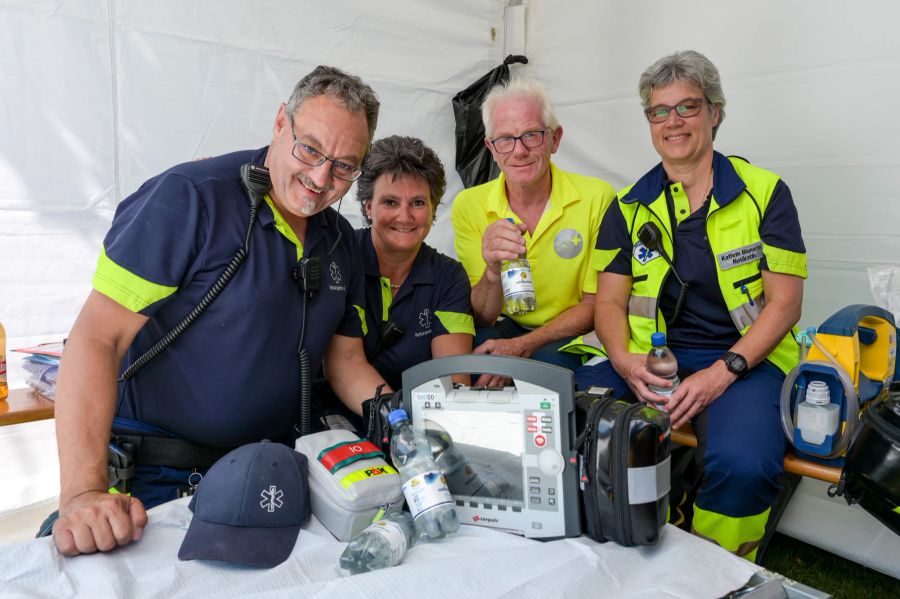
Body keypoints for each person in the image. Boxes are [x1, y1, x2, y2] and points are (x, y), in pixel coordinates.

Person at [51, 66, 388, 556]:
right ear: (279, 122)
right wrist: (83, 494)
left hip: (265, 474)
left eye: (343, 166)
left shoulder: (339, 241)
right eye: (310, 149)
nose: (320, 179)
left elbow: (345, 362)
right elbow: (96, 339)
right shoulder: (189, 198)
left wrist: (403, 422)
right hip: (153, 477)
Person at [576, 50, 806, 561]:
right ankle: (612, 549)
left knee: (743, 462)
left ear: (715, 112)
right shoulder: (628, 205)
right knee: (572, 416)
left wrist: (723, 372)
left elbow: (785, 306)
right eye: (659, 111)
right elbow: (608, 305)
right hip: (650, 361)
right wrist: (624, 361)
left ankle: (715, 571)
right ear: (649, 122)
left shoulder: (766, 194)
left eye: (688, 107)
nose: (673, 122)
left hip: (748, 362)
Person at [451, 78, 616, 380]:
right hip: (505, 323)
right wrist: (491, 271)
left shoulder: (598, 197)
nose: (519, 151)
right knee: (466, 366)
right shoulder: (468, 205)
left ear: (555, 139)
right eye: (505, 139)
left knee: (539, 381)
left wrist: (521, 347)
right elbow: (482, 315)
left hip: (570, 331)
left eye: (532, 135)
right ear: (490, 147)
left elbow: (597, 305)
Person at [352, 136, 474, 391]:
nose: (404, 216)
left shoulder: (450, 277)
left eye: (418, 203)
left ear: (433, 210)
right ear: (368, 207)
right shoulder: (341, 256)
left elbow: (453, 379)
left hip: (417, 417)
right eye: (390, 202)